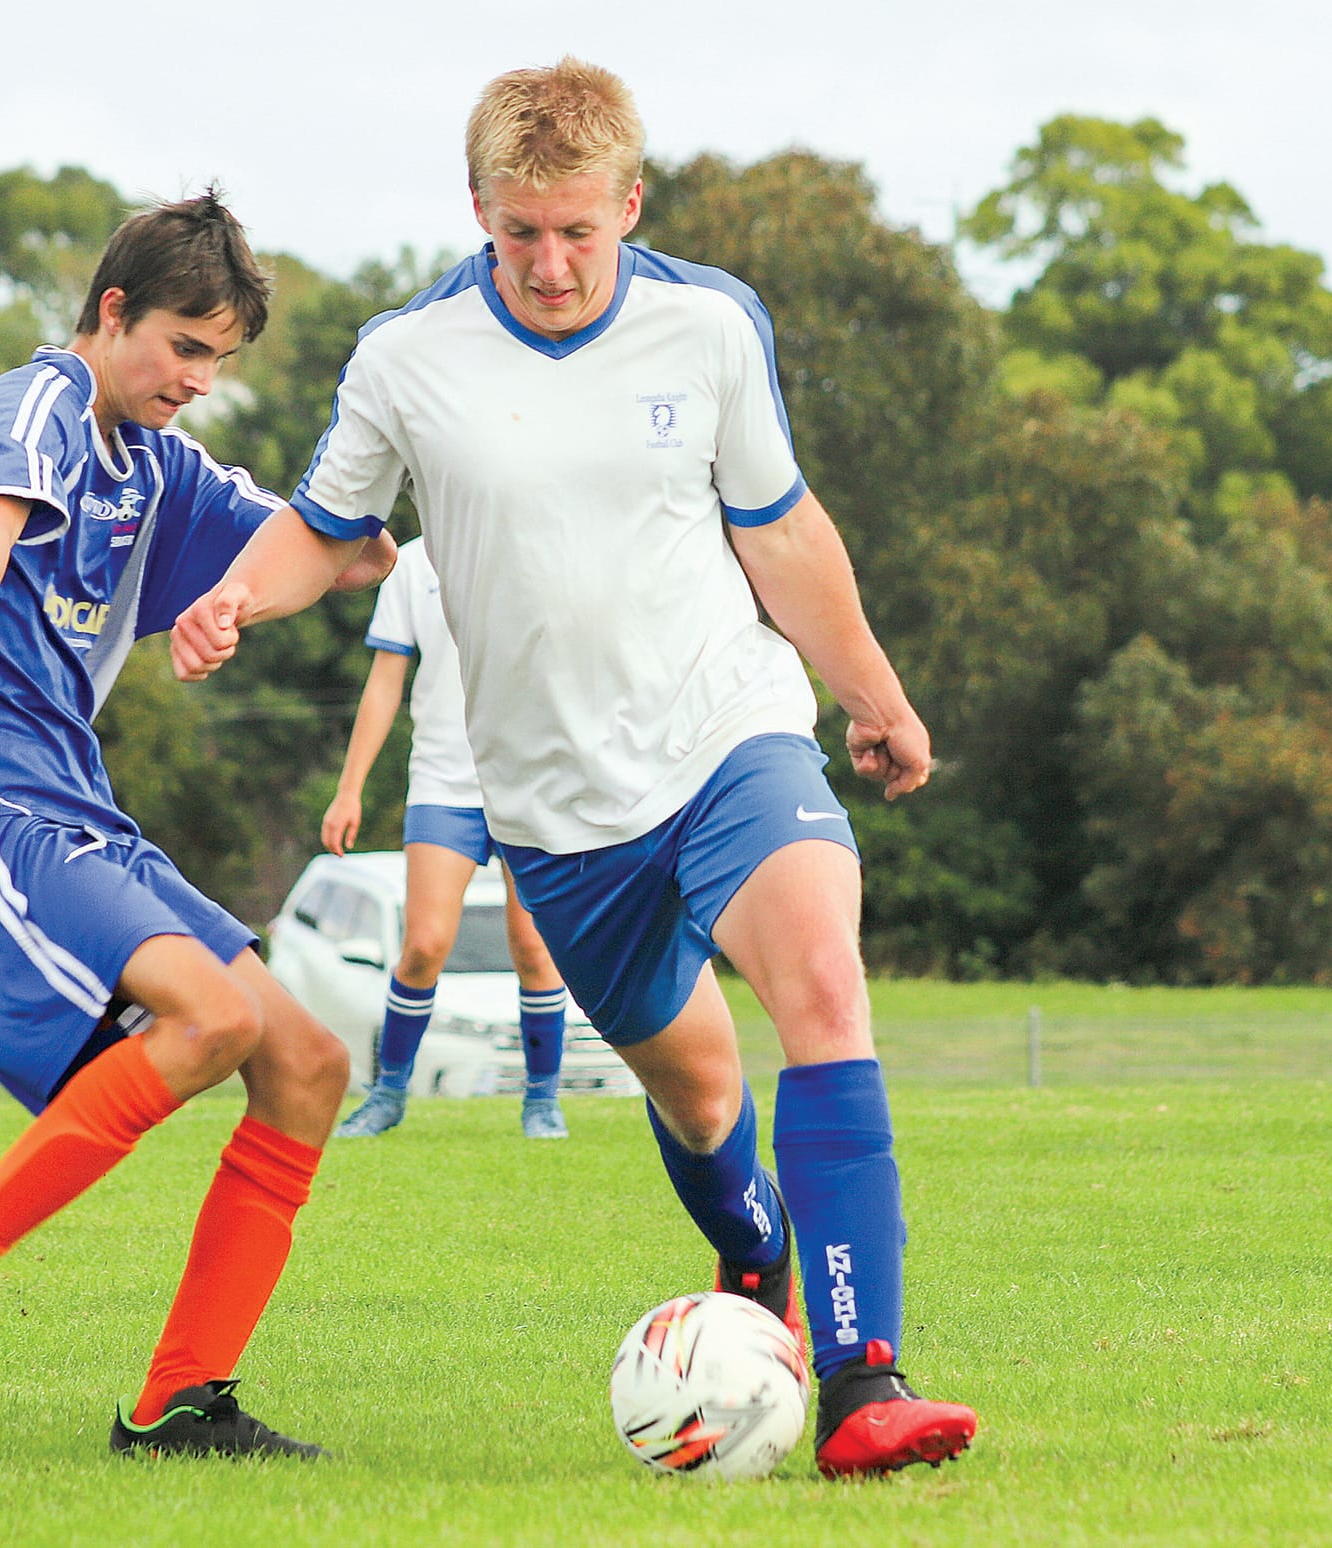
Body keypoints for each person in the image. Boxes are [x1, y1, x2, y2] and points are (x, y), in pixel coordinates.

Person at [173, 61, 977, 1478]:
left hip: (732, 737)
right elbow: (322, 524)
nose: (549, 263)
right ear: (478, 211)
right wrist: (240, 595)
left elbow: (781, 531)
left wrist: (876, 697)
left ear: (629, 205)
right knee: (705, 1103)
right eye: (519, 232)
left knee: (824, 989)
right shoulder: (404, 357)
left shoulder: (711, 327)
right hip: (555, 814)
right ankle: (756, 1259)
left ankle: (865, 1386)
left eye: (577, 231)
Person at [0, 192, 393, 1460]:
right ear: (110, 313)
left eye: (219, 359)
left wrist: (246, 599)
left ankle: (179, 1404)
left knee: (305, 1066)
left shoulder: (158, 464)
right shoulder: (39, 406)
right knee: (211, 1020)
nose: (199, 381)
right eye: (184, 348)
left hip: (78, 806)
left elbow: (333, 548)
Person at [323, 535, 573, 1141]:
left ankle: (542, 1101)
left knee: (535, 949)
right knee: (426, 945)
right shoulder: (409, 564)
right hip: (442, 781)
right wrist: (349, 788)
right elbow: (385, 683)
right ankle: (388, 1094)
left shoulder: (542, 542)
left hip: (530, 780)